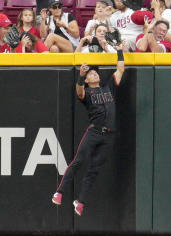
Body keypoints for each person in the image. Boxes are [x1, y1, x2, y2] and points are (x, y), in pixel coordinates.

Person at [52, 56, 125, 217]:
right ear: (86, 80)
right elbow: (79, 91)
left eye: (95, 73)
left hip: (109, 135)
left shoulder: (108, 87)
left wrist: (120, 50)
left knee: (94, 169)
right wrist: (81, 75)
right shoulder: (86, 92)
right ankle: (59, 192)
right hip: (94, 132)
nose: (94, 75)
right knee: (78, 161)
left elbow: (120, 69)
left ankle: (81, 201)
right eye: (91, 74)